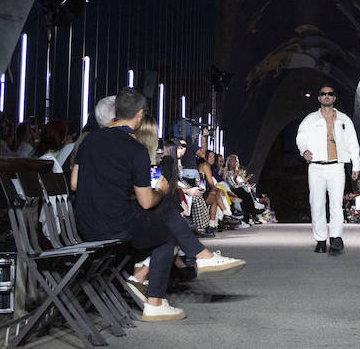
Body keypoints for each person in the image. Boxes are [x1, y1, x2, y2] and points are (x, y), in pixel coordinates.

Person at [71, 88, 245, 322]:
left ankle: (201, 257)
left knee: (164, 212)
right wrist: (161, 190)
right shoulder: (136, 149)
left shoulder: (89, 141)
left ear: (116, 112)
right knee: (165, 233)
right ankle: (155, 301)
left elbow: (74, 183)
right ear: (140, 115)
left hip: (83, 223)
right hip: (112, 226)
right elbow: (145, 201)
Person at [296, 84, 360, 254]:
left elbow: (353, 143)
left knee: (336, 204)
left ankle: (336, 238)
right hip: (316, 167)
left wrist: (356, 165)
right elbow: (301, 137)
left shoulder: (344, 119)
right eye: (323, 94)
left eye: (330, 94)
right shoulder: (310, 119)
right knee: (316, 204)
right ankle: (320, 240)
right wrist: (304, 150)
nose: (326, 96)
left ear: (334, 98)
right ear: (319, 98)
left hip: (336, 166)